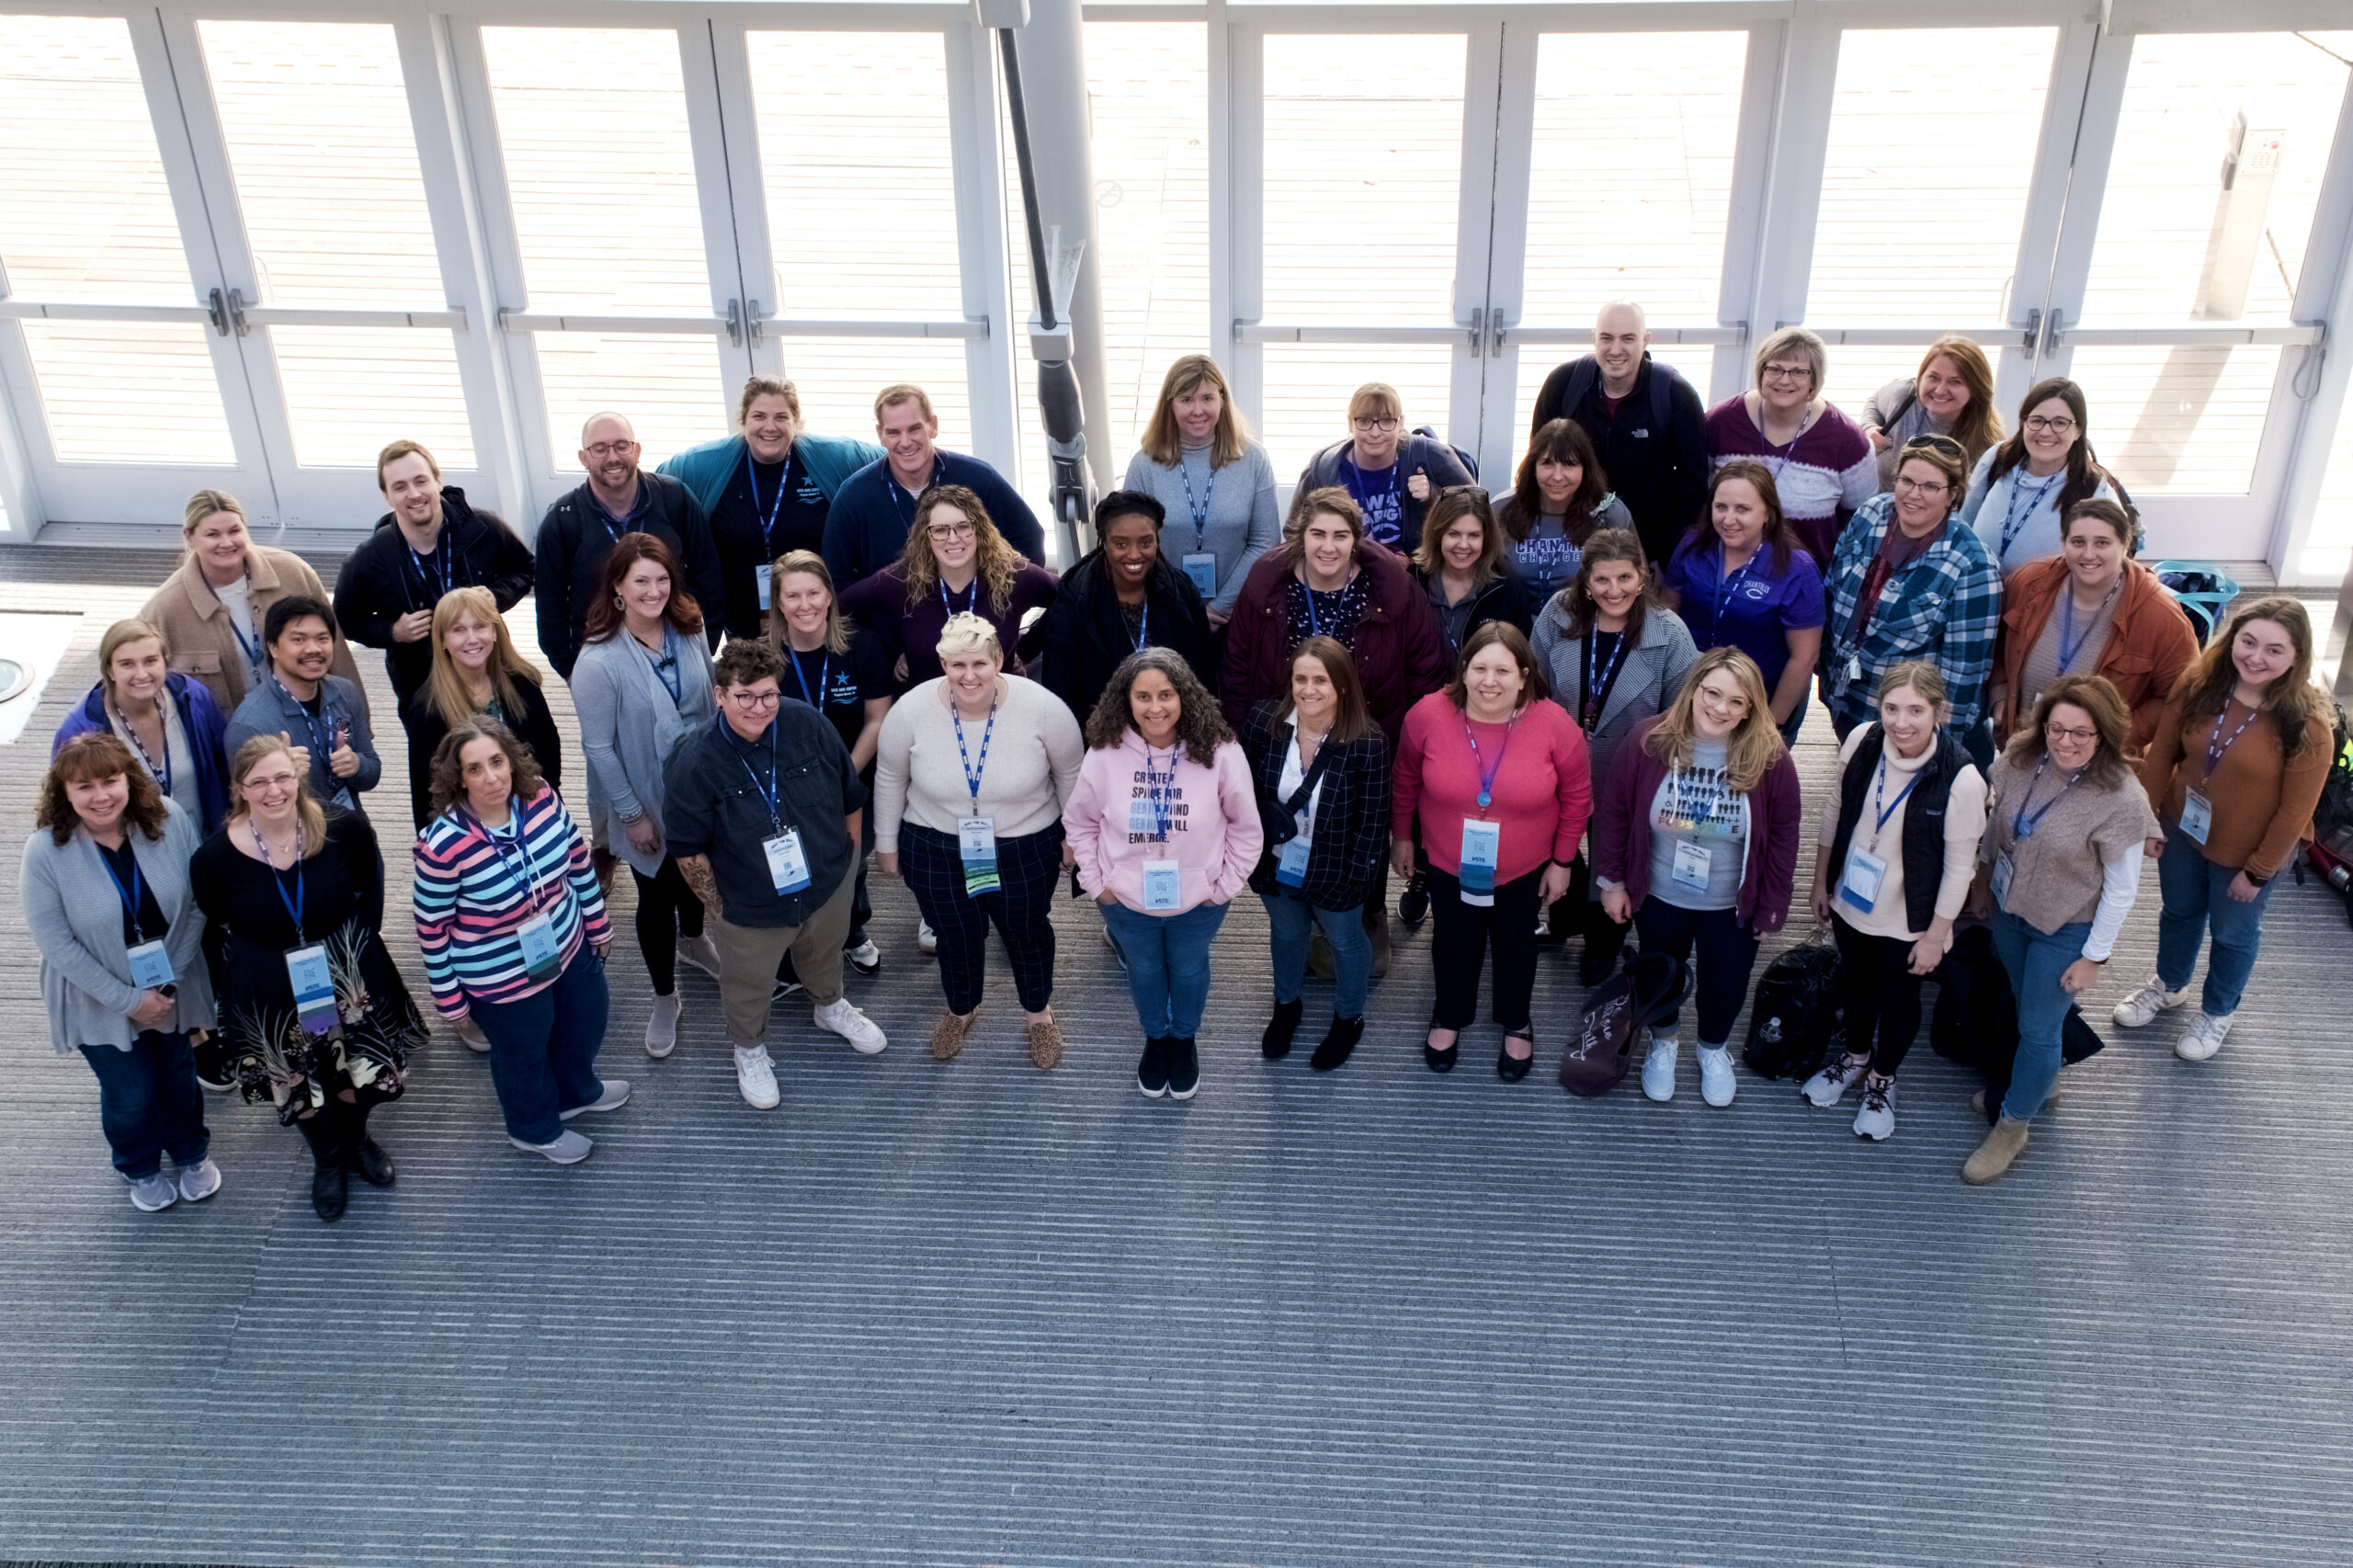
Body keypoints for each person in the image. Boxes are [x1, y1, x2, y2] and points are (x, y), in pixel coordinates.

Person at [189, 736, 426, 1221]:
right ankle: (328, 1158)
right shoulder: (213, 857)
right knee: (299, 1078)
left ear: (298, 780)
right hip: (268, 981)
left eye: (283, 778)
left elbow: (366, 884)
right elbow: (216, 914)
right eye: (259, 782)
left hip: (344, 969)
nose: (274, 790)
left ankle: (357, 1139)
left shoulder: (343, 827)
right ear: (239, 789)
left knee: (355, 1069)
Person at [1222, 487, 1448, 973]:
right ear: (1299, 536)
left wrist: (1413, 743)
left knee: (1362, 832)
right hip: (1288, 733)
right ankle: (1300, 922)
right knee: (1294, 823)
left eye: (1340, 535)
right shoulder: (1266, 584)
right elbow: (1237, 664)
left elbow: (1427, 669)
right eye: (1317, 534)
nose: (1328, 546)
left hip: (1368, 737)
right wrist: (1245, 738)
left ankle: (1368, 915)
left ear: (1357, 540)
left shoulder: (1392, 587)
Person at [663, 639, 887, 1109]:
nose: (758, 707)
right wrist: (721, 911)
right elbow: (687, 850)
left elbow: (850, 795)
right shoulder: (695, 760)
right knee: (748, 983)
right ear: (719, 694)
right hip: (748, 903)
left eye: (768, 695)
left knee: (824, 953)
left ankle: (830, 1007)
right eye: (744, 696)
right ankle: (749, 1049)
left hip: (826, 882)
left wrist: (847, 863)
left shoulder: (806, 722)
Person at [1962, 676, 2159, 1185]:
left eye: (2082, 734)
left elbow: (2121, 890)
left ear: (2105, 735)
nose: (2066, 742)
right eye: (2057, 729)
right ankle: (2040, 1078)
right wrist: (1983, 885)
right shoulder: (2017, 762)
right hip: (2010, 911)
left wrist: (2094, 958)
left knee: (2038, 1028)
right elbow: (1995, 833)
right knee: (2025, 998)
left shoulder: (2121, 798)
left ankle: (2013, 1125)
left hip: (2067, 927)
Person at [2118, 597, 2333, 1063]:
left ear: (2297, 657)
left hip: (2251, 851)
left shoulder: (2309, 726)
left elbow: (2295, 815)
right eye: (2248, 641)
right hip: (2183, 831)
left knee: (2233, 934)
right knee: (2179, 913)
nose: (2256, 657)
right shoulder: (2198, 685)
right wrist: (2149, 818)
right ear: (2231, 639)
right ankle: (2169, 985)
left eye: (2275, 650)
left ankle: (2218, 1011)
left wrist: (2256, 873)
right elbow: (2162, 757)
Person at [1592, 648, 1802, 1108]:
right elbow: (1616, 812)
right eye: (1712, 693)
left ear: (1751, 709)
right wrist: (1612, 881)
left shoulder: (1770, 757)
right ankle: (1663, 1042)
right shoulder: (1649, 741)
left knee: (1725, 983)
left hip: (1731, 902)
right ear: (1694, 689)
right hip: (1660, 893)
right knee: (1658, 974)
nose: (1720, 709)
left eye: (1736, 702)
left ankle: (1712, 1049)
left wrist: (1773, 904)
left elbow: (1785, 836)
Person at [872, 615, 1083, 1068]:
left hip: (1025, 842)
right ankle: (961, 1008)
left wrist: (1075, 839)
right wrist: (886, 844)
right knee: (955, 935)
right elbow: (890, 777)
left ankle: (1038, 1015)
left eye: (980, 664)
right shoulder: (910, 710)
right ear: (942, 663)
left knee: (1027, 932)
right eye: (957, 665)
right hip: (935, 844)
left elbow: (1071, 774)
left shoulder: (1043, 708)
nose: (969, 676)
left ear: (999, 660)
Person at [414, 720, 623, 1165]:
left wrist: (597, 922)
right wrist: (449, 999)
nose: (491, 777)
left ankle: (576, 1092)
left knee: (585, 1021)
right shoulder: (442, 846)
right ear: (458, 779)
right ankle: (534, 1129)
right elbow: (431, 927)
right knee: (523, 1054)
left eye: (496, 762)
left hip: (567, 942)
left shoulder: (541, 797)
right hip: (498, 972)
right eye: (474, 769)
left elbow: (577, 860)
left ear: (512, 761)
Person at [24, 734, 220, 1212]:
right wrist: (131, 1001)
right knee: (130, 1092)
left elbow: (198, 903)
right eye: (84, 786)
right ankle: (140, 1165)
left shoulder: (170, 819)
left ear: (128, 780)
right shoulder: (45, 851)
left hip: (173, 980)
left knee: (179, 1074)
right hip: (95, 996)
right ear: (64, 792)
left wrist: (165, 983)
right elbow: (56, 944)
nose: (101, 795)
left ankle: (191, 1152)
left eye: (110, 780)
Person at [1391, 623, 1588, 1079]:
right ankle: (1450, 1015)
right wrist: (1402, 836)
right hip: (1447, 862)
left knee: (1516, 944)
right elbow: (1405, 780)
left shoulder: (1554, 724)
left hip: (1525, 868)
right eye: (1479, 668)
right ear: (1463, 671)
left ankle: (1516, 1021)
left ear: (1524, 676)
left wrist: (1562, 863)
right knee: (1453, 941)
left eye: (1503, 670)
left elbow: (1578, 798)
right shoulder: (1427, 715)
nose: (1489, 681)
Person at [1801, 663, 1989, 1141]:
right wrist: (1822, 880)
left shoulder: (1962, 778)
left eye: (1915, 710)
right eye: (1891, 708)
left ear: (1938, 711)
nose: (1901, 722)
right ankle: (1857, 1057)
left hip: (1910, 920)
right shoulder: (1862, 739)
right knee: (1858, 984)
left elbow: (1960, 868)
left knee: (1900, 998)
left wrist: (1935, 935)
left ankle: (1884, 1078)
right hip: (1852, 902)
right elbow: (1835, 811)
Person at [1063, 648, 1260, 1101]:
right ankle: (1156, 1038)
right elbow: (1081, 822)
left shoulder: (1220, 751)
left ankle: (1184, 1039)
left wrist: (1223, 887)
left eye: (1167, 694)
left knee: (1189, 969)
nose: (1156, 707)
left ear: (1184, 696)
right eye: (1144, 696)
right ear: (1125, 700)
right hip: (1126, 901)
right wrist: (1099, 885)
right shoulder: (1105, 753)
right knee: (1146, 970)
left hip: (1200, 899)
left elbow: (1246, 828)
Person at [570, 534, 720, 1059]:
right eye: (641, 581)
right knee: (656, 894)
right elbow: (600, 750)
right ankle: (663, 995)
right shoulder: (597, 661)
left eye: (662, 578)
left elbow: (710, 701)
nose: (654, 590)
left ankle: (695, 940)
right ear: (617, 587)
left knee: (699, 870)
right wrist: (632, 816)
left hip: (699, 781)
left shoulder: (690, 627)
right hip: (642, 790)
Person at [1529, 528, 1699, 979]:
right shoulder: (1557, 615)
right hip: (1561, 762)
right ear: (1586, 582)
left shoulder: (1671, 634)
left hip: (1630, 770)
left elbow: (1682, 716)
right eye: (1602, 580)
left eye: (1625, 578)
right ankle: (1564, 921)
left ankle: (1603, 943)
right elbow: (1535, 687)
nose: (1614, 590)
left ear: (1642, 579)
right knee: (1553, 843)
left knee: (1614, 855)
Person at [1241, 637, 1391, 1072]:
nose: (1309, 690)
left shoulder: (1367, 740)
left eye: (1321, 680)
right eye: (1300, 678)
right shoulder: (1263, 721)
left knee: (1345, 941)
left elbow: (1373, 820)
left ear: (1342, 685)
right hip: (1275, 861)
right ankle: (1287, 1005)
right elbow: (1241, 792)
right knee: (1287, 935)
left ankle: (1349, 1016)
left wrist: (1357, 879)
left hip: (1337, 867)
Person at [657, 376, 886, 640]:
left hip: (816, 620)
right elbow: (656, 488)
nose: (770, 427)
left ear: (795, 422)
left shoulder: (831, 457)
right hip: (743, 625)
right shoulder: (705, 465)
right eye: (759, 416)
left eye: (780, 417)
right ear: (743, 420)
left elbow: (894, 459)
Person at [1819, 436, 2002, 766]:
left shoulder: (1973, 565)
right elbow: (1832, 591)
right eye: (1907, 480)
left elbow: (1962, 679)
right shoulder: (1870, 514)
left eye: (1931, 486)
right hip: (1844, 700)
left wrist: (1937, 758)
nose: (1913, 494)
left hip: (1907, 728)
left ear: (1954, 495)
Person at [332, 439, 533, 710]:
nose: (414, 494)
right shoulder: (368, 558)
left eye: (421, 481)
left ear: (438, 481)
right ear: (386, 496)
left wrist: (495, 597)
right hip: (420, 684)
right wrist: (392, 631)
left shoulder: (483, 527)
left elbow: (525, 568)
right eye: (400, 487)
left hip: (489, 666)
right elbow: (345, 620)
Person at [768, 549, 895, 976]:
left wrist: (842, 778)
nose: (805, 605)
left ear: (829, 597)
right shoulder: (766, 659)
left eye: (814, 593)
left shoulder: (864, 646)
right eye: (792, 596)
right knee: (798, 866)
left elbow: (878, 720)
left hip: (854, 780)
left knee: (852, 865)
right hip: (786, 787)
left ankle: (853, 932)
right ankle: (802, 941)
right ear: (778, 604)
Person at [532, 411, 726, 683]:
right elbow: (550, 607)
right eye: (599, 449)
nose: (612, 457)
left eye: (621, 446)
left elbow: (709, 579)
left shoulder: (675, 500)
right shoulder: (563, 521)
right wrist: (573, 671)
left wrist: (702, 651)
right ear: (583, 458)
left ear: (636, 451)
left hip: (678, 657)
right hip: (604, 668)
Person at [1987, 499, 2197, 751]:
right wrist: (1999, 694)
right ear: (2063, 542)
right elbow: (1996, 644)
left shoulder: (2160, 616)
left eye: (2102, 543)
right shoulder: (2028, 583)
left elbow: (2179, 697)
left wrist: (2114, 737)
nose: (2088, 554)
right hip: (2024, 748)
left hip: (2098, 766)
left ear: (2125, 544)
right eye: (2078, 542)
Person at [141, 489, 365, 719]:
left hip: (310, 721)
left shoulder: (294, 574)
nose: (227, 543)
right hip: (236, 740)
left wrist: (357, 729)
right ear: (190, 537)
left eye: (235, 531)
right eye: (213, 534)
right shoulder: (164, 608)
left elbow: (337, 655)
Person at [1525, 301, 1711, 566]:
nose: (1615, 350)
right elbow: (1538, 465)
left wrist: (1669, 560)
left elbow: (1692, 487)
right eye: (1606, 338)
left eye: (1627, 339)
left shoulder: (1674, 394)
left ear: (1645, 341)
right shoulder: (1564, 385)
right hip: (1569, 547)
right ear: (1594, 339)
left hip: (1646, 552)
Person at [839, 483, 1059, 692]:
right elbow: (840, 611)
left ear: (980, 529)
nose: (953, 539)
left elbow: (1070, 597)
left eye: (963, 527)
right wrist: (891, 653)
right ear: (925, 536)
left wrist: (1025, 648)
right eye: (941, 530)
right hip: (928, 713)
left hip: (1000, 709)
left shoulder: (1013, 576)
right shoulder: (901, 581)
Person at [1663, 461, 1824, 743]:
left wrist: (1770, 727)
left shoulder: (1797, 569)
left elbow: (1804, 657)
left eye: (1743, 509)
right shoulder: (1693, 545)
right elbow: (1667, 613)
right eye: (1721, 507)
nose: (1729, 519)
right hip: (1691, 695)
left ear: (1768, 514)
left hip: (1755, 704)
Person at [822, 384, 1046, 587]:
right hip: (891, 629)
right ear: (881, 434)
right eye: (894, 432)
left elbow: (1029, 541)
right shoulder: (854, 496)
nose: (906, 442)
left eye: (914, 429)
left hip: (973, 623)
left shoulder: (978, 478)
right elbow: (837, 576)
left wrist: (997, 600)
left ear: (933, 426)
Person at [1120, 354, 1283, 625]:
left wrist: (1221, 608)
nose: (1198, 410)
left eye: (1207, 398)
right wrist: (1181, 610)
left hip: (1239, 614)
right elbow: (1132, 548)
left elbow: (1265, 543)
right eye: (1186, 400)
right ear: (1170, 405)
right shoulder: (1143, 465)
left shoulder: (1253, 458)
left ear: (1222, 400)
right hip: (1166, 613)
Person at [1704, 325, 1878, 570]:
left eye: (1798, 372)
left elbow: (1863, 520)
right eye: (1774, 369)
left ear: (1814, 380)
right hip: (1720, 570)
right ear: (1760, 371)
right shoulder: (1720, 422)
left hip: (1804, 580)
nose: (1784, 380)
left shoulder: (1847, 440)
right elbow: (1693, 493)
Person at [1040, 490, 1214, 724]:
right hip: (1104, 738)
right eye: (1121, 543)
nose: (1134, 555)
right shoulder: (1075, 602)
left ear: (1158, 539)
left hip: (1172, 732)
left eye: (1145, 542)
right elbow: (1062, 694)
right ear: (1102, 541)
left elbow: (1203, 676)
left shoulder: (1181, 592)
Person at [403, 586, 563, 830]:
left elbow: (549, 751)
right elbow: (425, 791)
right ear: (443, 640)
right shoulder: (427, 710)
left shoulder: (522, 684)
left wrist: (549, 812)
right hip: (470, 833)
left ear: (495, 632)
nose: (472, 639)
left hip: (532, 815)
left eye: (480, 626)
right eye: (458, 630)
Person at [54, 618, 232, 831]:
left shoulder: (194, 699)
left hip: (204, 842)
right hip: (136, 853)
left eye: (150, 661)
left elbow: (226, 768)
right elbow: (67, 801)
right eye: (127, 664)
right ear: (109, 670)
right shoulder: (81, 728)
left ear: (165, 661)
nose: (141, 674)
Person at [222, 597, 381, 819]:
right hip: (296, 844)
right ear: (273, 648)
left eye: (322, 638)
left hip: (352, 830)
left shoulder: (345, 692)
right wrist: (280, 777)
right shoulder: (250, 725)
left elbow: (371, 773)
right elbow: (247, 812)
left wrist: (357, 765)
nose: (313, 649)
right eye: (298, 640)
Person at [1291, 382, 1473, 556]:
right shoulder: (1324, 469)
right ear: (1350, 423)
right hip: (1350, 577)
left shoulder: (1430, 455)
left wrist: (1433, 496)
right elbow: (1294, 532)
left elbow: (1476, 511)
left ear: (1401, 423)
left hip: (1420, 575)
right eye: (1364, 421)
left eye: (1386, 421)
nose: (1375, 432)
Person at [1960, 377, 2119, 573]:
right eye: (2037, 420)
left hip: (2041, 602)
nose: (2045, 432)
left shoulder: (2095, 490)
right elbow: (1964, 523)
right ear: (2023, 423)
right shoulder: (1996, 458)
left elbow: (2106, 567)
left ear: (2078, 431)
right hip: (1977, 591)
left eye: (2060, 423)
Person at [1493, 417, 1635, 606]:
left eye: (1569, 464)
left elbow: (1634, 582)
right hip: (1513, 626)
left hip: (1581, 625)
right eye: (1547, 463)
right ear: (1533, 467)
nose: (1557, 476)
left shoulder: (1609, 513)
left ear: (1586, 468)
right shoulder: (1501, 509)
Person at [1409, 484, 1535, 665]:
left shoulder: (1508, 590)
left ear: (1487, 538)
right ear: (1437, 535)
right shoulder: (1413, 580)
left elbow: (1522, 661)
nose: (1463, 544)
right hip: (1420, 692)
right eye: (1453, 534)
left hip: (1482, 692)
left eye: (1474, 535)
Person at [1859, 337, 2004, 494]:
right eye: (1933, 378)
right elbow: (1874, 402)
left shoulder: (1988, 448)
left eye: (1955, 382)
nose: (1940, 390)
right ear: (1921, 377)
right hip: (1871, 507)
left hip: (1930, 517)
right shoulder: (1904, 396)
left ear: (1976, 388)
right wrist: (1869, 428)